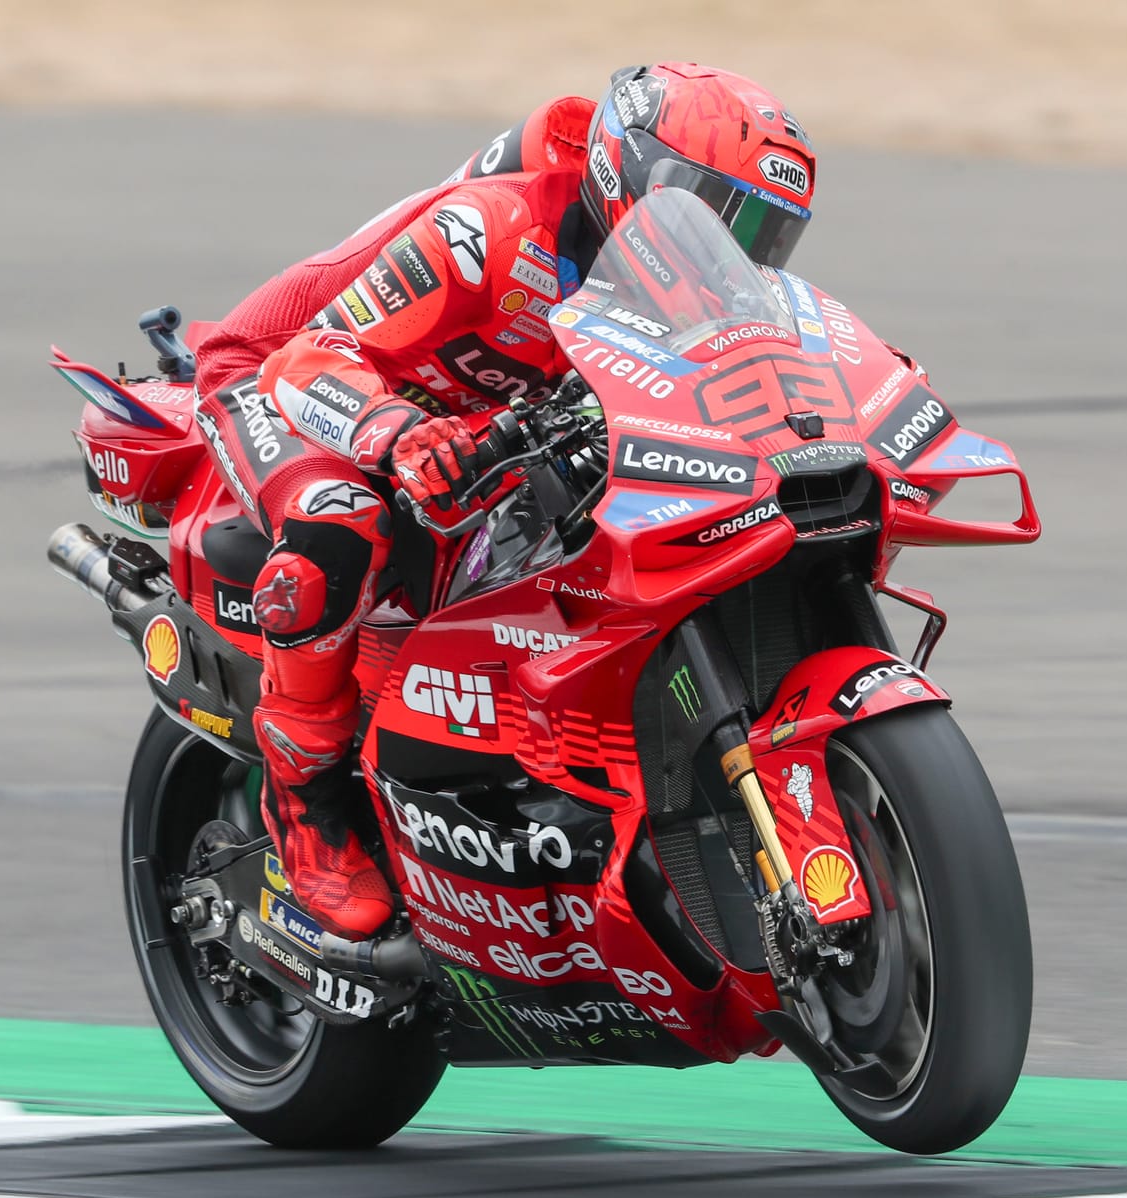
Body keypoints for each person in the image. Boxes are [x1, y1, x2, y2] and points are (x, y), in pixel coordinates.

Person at [192, 62, 818, 940]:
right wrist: (396, 431)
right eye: (715, 212)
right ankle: (305, 805)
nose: (735, 251)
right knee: (339, 515)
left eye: (765, 233)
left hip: (472, 430)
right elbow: (308, 359)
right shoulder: (495, 232)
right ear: (628, 174)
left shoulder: (684, 289)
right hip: (277, 375)